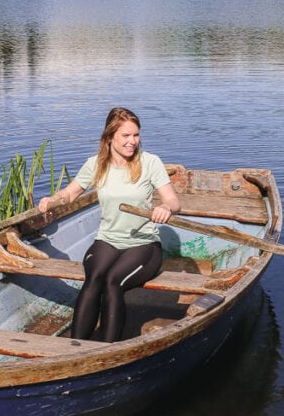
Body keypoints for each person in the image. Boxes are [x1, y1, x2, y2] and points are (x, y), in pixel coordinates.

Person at [38, 107, 180, 343]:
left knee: (114, 281)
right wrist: (53, 200)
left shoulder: (150, 162)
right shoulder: (95, 165)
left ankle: (107, 348)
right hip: (108, 240)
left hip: (143, 244)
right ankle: (74, 347)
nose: (132, 142)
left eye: (136, 135)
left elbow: (174, 201)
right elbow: (71, 193)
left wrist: (166, 208)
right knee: (94, 278)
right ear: (110, 136)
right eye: (126, 136)